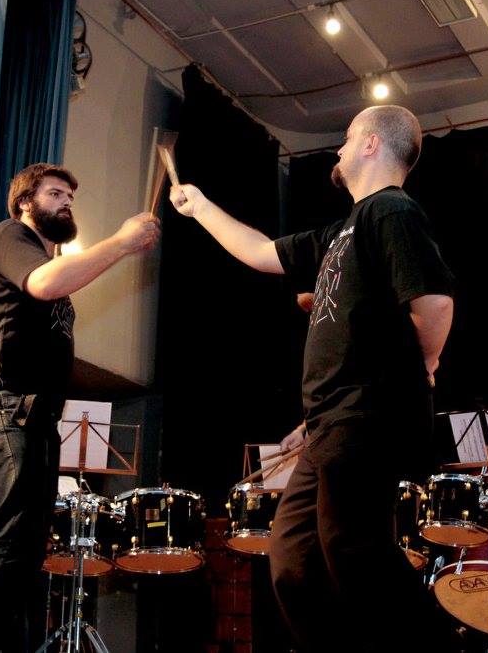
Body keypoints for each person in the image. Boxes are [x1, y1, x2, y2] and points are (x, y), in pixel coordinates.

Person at [170, 105, 455, 652]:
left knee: (353, 547)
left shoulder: (391, 210)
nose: (339, 149)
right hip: (331, 422)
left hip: (367, 413)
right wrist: (200, 206)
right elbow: (260, 253)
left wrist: (419, 368)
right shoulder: (341, 231)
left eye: (347, 138)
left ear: (371, 144)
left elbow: (435, 302)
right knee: (294, 558)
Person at [0, 163, 160, 652]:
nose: (66, 201)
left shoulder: (50, 258)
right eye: (54, 193)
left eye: (70, 196)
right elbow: (45, 284)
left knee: (25, 550)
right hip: (0, 404)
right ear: (25, 202)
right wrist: (122, 242)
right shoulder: (9, 236)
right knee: (12, 539)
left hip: (33, 416)